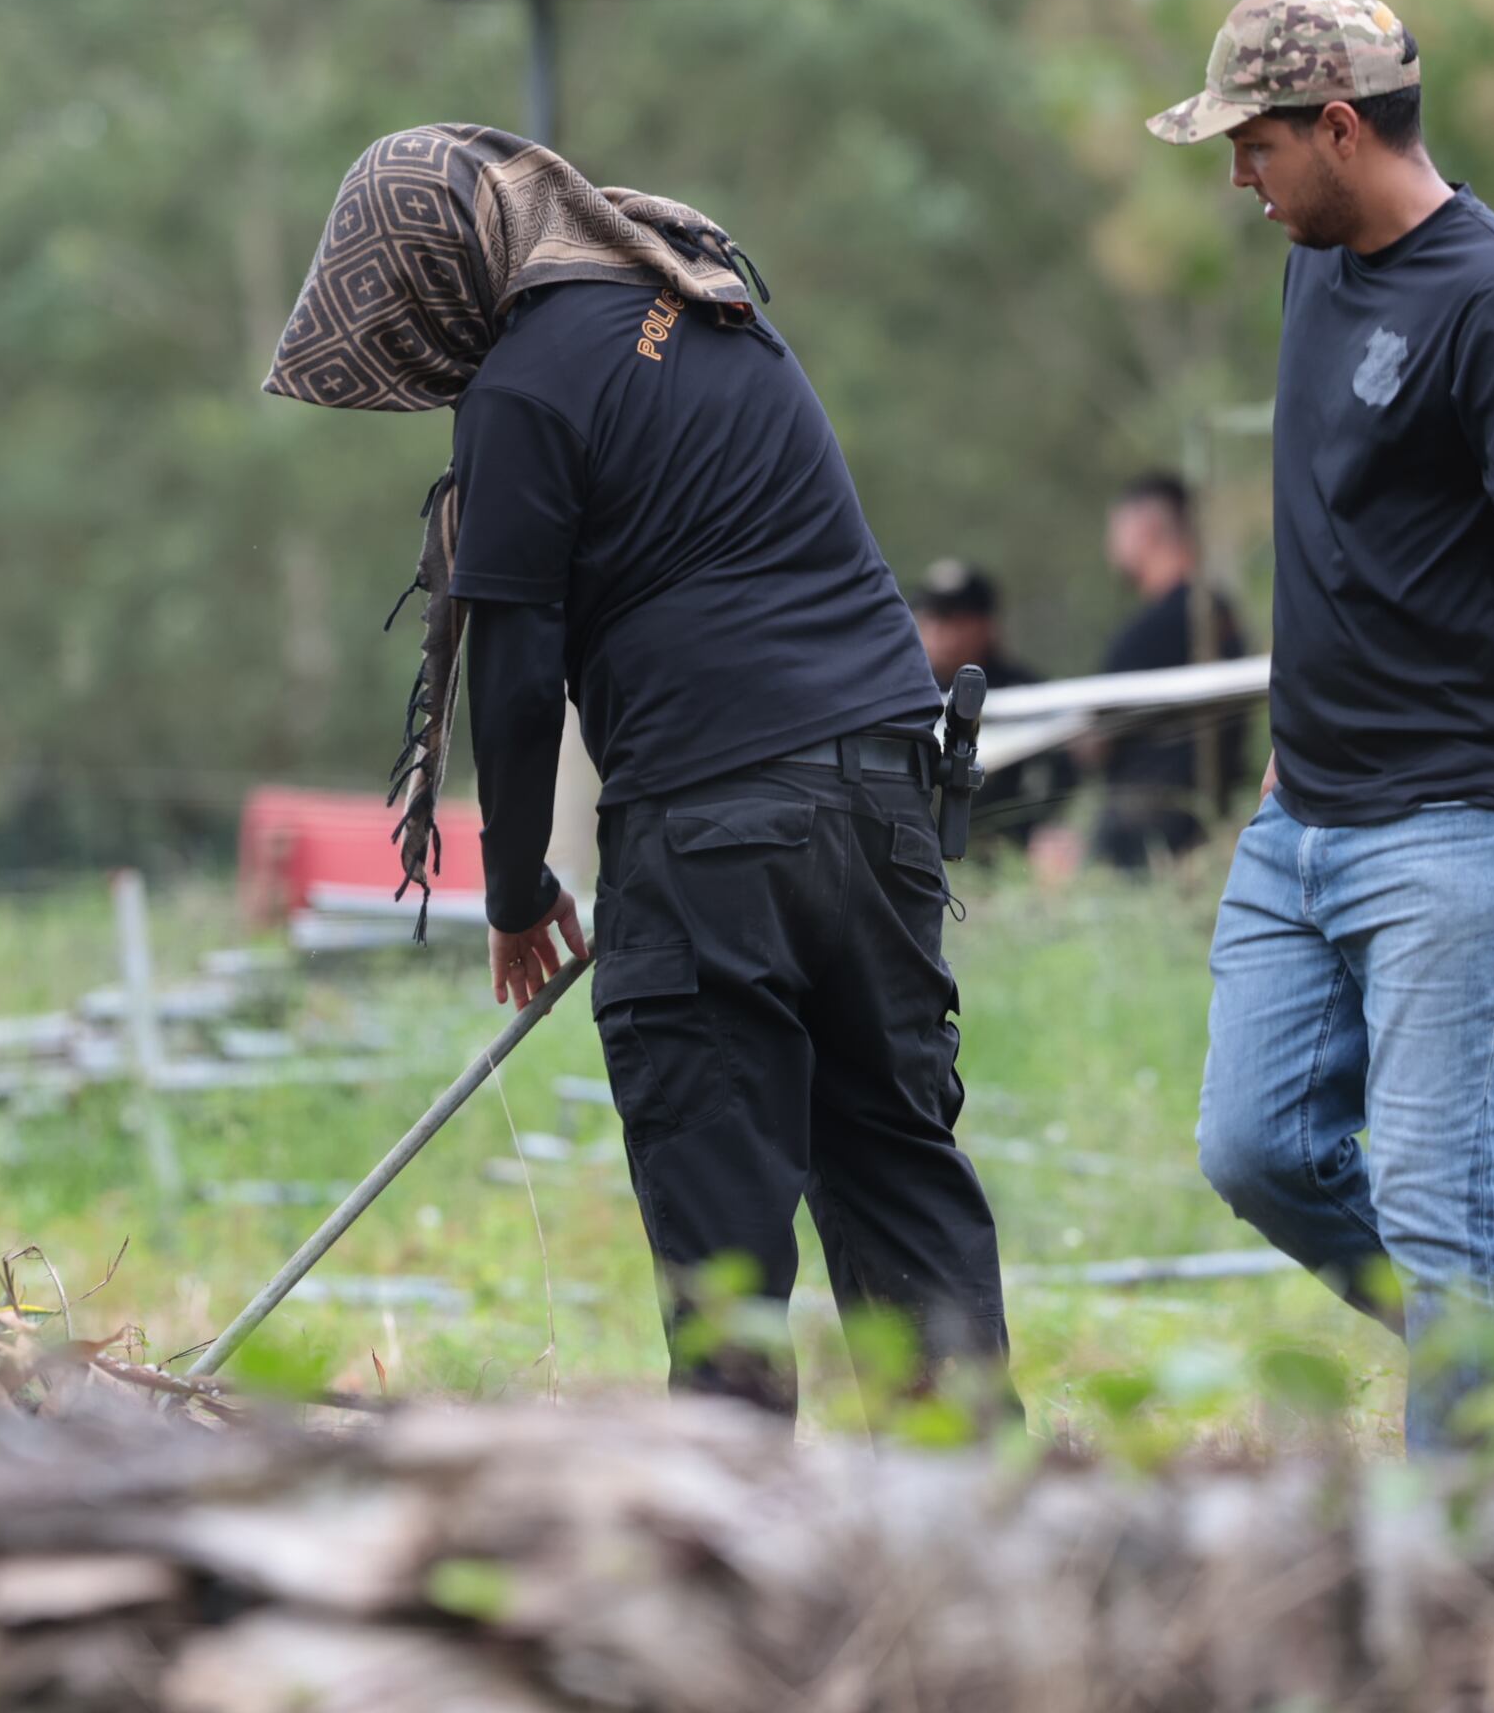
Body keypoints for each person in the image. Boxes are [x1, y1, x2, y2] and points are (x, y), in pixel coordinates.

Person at [265, 125, 1011, 1417]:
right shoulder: (698, 297)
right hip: (886, 797)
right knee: (897, 1169)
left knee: (722, 1251)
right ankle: (984, 1540)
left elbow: (516, 666)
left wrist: (513, 892)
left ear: (450, 271)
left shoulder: (525, 389)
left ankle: (730, 1572)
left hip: (714, 826)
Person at [1148, 0, 1494, 1448]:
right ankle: (1478, 1346)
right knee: (1252, 1152)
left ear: (1343, 126)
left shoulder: (1489, 303)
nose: (1241, 176)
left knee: (1440, 1212)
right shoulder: (1318, 260)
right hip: (1299, 824)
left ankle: (1461, 1564)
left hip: (1448, 838)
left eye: (1256, 143)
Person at [1088, 473, 1250, 870]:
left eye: (1116, 530)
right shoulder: (1215, 611)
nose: (1111, 546)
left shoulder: (1157, 630)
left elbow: (1094, 741)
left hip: (1148, 842)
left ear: (1144, 529)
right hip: (1198, 829)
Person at [910, 560, 1074, 856]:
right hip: (917, 849)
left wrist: (1047, 830)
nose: (937, 631)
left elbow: (1062, 773)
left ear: (986, 625)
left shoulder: (1027, 695)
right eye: (929, 617)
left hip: (1009, 850)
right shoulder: (905, 694)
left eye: (952, 619)